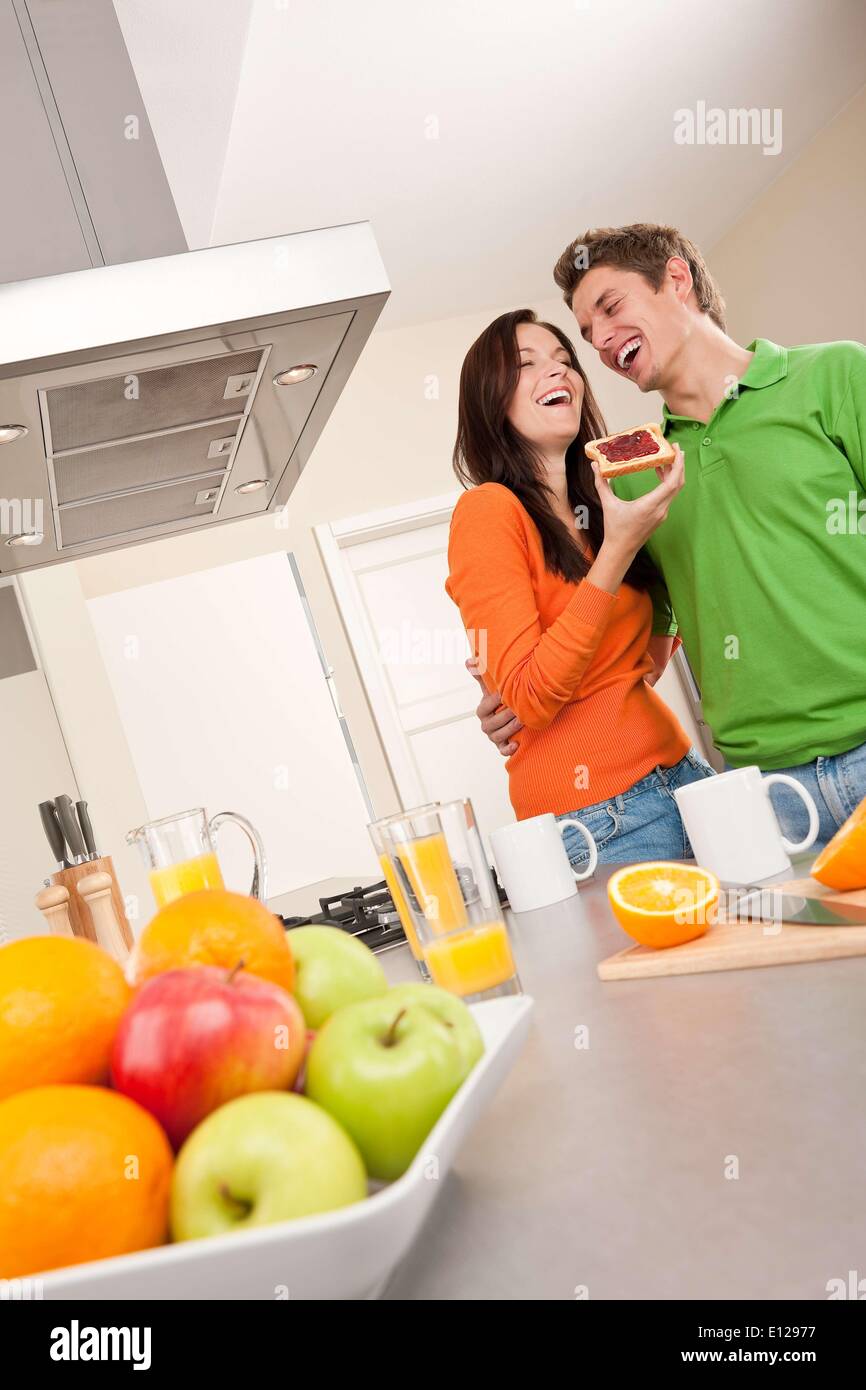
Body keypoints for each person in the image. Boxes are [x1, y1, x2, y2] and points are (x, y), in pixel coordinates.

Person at [476, 224, 866, 852]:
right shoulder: (637, 477)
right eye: (588, 333)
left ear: (677, 281)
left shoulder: (837, 376)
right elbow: (648, 640)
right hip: (766, 793)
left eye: (611, 307)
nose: (601, 340)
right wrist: (515, 693)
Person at [445, 307, 716, 872]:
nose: (559, 372)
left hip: (683, 775)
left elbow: (640, 659)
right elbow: (531, 698)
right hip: (601, 818)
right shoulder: (488, 511)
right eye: (527, 364)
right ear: (489, 399)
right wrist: (616, 551)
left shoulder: (602, 503)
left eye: (566, 362)